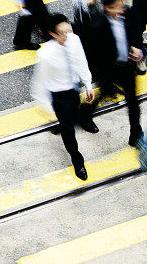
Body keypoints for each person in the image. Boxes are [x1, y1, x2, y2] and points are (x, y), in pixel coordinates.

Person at [30, 14, 94, 180]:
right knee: (68, 129)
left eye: (68, 31)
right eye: (63, 33)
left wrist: (87, 84)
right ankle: (77, 159)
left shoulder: (74, 40)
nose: (67, 36)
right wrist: (44, 105)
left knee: (74, 113)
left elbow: (81, 61)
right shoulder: (45, 54)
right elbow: (40, 81)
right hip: (58, 95)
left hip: (73, 89)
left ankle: (74, 120)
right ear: (53, 34)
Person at [79, 0, 142, 144]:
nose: (121, 10)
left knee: (133, 101)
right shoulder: (98, 26)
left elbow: (135, 32)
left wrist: (136, 46)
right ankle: (84, 116)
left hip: (127, 67)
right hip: (108, 69)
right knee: (103, 93)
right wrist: (99, 73)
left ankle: (136, 133)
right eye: (116, 8)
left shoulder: (128, 14)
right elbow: (92, 54)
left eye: (121, 6)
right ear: (106, 8)